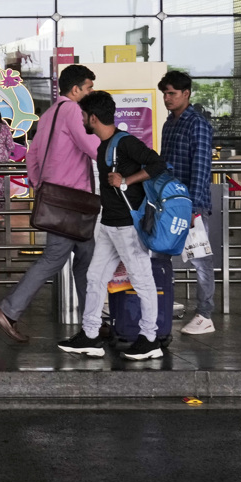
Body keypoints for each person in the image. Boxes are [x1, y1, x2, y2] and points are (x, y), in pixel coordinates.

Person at [0, 64, 99, 344]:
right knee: (56, 258)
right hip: (72, 201)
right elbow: (91, 147)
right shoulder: (73, 110)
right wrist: (117, 149)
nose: (91, 93)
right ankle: (9, 311)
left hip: (60, 199)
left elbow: (32, 155)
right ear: (75, 89)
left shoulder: (49, 113)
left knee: (86, 259)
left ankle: (94, 322)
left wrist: (41, 184)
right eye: (89, 88)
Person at [58, 91, 168, 361]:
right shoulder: (103, 145)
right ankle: (90, 335)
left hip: (128, 225)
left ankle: (150, 339)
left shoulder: (126, 142)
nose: (82, 120)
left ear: (93, 118)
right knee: (95, 278)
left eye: (84, 116)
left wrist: (126, 181)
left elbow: (158, 164)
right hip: (109, 224)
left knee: (142, 280)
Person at [155, 71, 217, 335]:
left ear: (186, 94)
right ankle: (164, 300)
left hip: (191, 205)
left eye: (172, 93)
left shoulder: (198, 124)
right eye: (164, 94)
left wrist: (192, 208)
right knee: (160, 254)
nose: (167, 98)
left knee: (200, 260)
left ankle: (205, 314)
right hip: (168, 202)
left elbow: (201, 169)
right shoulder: (169, 124)